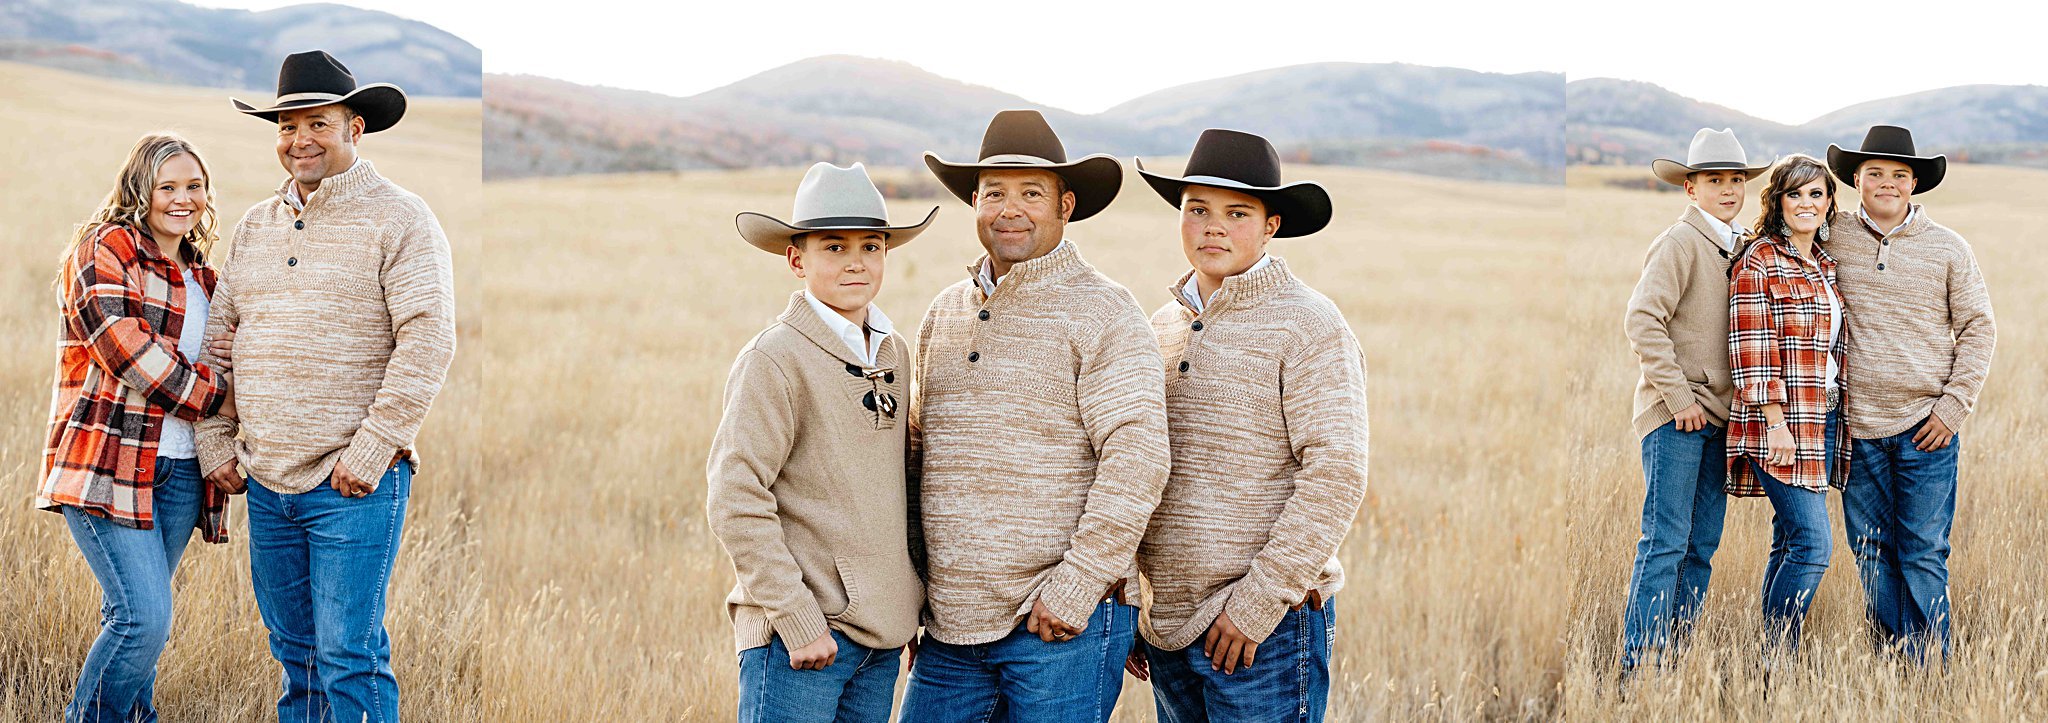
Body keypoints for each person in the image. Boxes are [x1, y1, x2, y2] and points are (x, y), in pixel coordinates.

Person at [197, 49, 456, 722]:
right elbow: (219, 338)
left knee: (349, 657)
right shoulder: (256, 225)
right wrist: (215, 437)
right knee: (296, 656)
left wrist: (371, 450)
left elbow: (428, 340)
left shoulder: (400, 217)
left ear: (355, 128)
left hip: (352, 485)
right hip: (268, 480)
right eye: (287, 126)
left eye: (317, 123)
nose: (299, 139)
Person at [899, 109, 1170, 722]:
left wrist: (1077, 585)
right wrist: (915, 593)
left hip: (1059, 624)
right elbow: (919, 460)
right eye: (995, 192)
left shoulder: (1104, 310)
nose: (1010, 208)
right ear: (974, 201)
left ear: (1065, 205)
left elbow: (1138, 457)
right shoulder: (944, 312)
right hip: (952, 628)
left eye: (1031, 193)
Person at [1121, 128, 1367, 722]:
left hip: (1263, 630)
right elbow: (1130, 464)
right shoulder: (1160, 326)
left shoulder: (1308, 324)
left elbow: (1336, 473)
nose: (1212, 226)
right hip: (1169, 627)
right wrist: (1135, 601)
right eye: (1196, 209)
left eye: (1236, 212)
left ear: (1271, 225)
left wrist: (1257, 605)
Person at [707, 161, 937, 722]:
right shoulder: (775, 358)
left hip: (879, 643)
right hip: (802, 643)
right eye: (834, 247)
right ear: (796, 258)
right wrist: (796, 617)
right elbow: (734, 496)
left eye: (872, 246)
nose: (856, 261)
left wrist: (905, 604)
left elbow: (901, 487)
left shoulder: (892, 352)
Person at [39, 131, 239, 723]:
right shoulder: (105, 249)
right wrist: (220, 398)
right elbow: (128, 352)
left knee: (130, 618)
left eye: (195, 186)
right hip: (106, 462)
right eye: (167, 186)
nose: (183, 199)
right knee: (143, 620)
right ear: (139, 189)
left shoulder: (202, 276)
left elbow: (228, 353)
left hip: (179, 471)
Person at [1824, 125, 1995, 662]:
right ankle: (1895, 660)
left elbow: (1978, 327)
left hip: (1927, 427)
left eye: (1899, 175)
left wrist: (1953, 407)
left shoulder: (1948, 247)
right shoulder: (1832, 238)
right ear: (1856, 179)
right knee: (1872, 552)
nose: (1887, 183)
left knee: (1922, 553)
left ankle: (1930, 668)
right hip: (1858, 430)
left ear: (1914, 183)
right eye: (1875, 173)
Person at [1618, 128, 1769, 671]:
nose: (1727, 189)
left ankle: (1674, 659)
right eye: (1714, 180)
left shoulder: (1740, 244)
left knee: (1701, 545)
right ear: (1690, 187)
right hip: (1676, 417)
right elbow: (1642, 319)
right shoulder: (1680, 241)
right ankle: (1641, 664)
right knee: (1665, 543)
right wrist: (1679, 397)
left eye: (1735, 180)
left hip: (1722, 418)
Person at [1725, 153, 1850, 654]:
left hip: (1824, 418)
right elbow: (1751, 347)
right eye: (1795, 193)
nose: (1806, 202)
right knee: (1814, 548)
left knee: (1789, 542)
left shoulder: (1825, 265)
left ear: (1828, 203)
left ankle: (1768, 665)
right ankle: (1777, 654)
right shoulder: (1760, 260)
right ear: (1777, 201)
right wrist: (1775, 422)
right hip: (1779, 423)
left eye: (1815, 193)